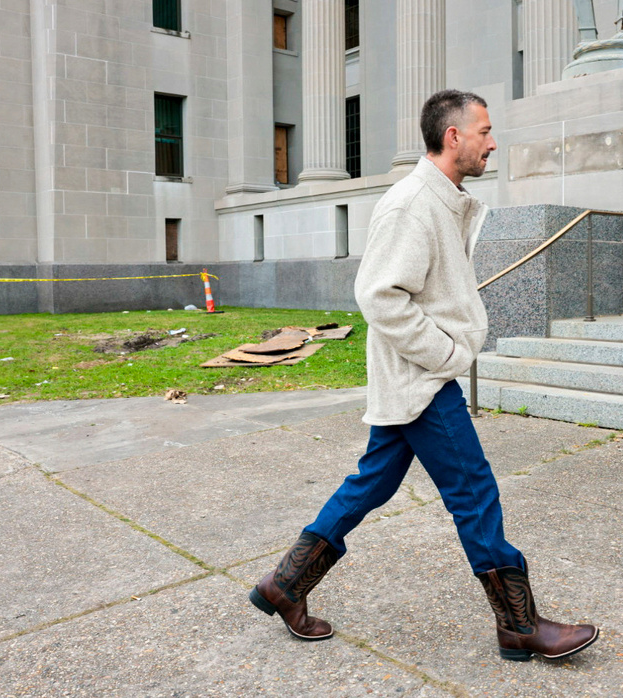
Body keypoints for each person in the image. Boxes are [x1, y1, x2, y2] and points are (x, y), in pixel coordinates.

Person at [249, 90, 599, 662]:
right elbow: (378, 296)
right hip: (423, 381)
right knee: (474, 491)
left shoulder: (444, 199)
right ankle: (519, 625)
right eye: (484, 131)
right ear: (453, 136)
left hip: (416, 377)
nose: (493, 142)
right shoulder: (413, 203)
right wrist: (444, 355)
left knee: (372, 483)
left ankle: (285, 586)